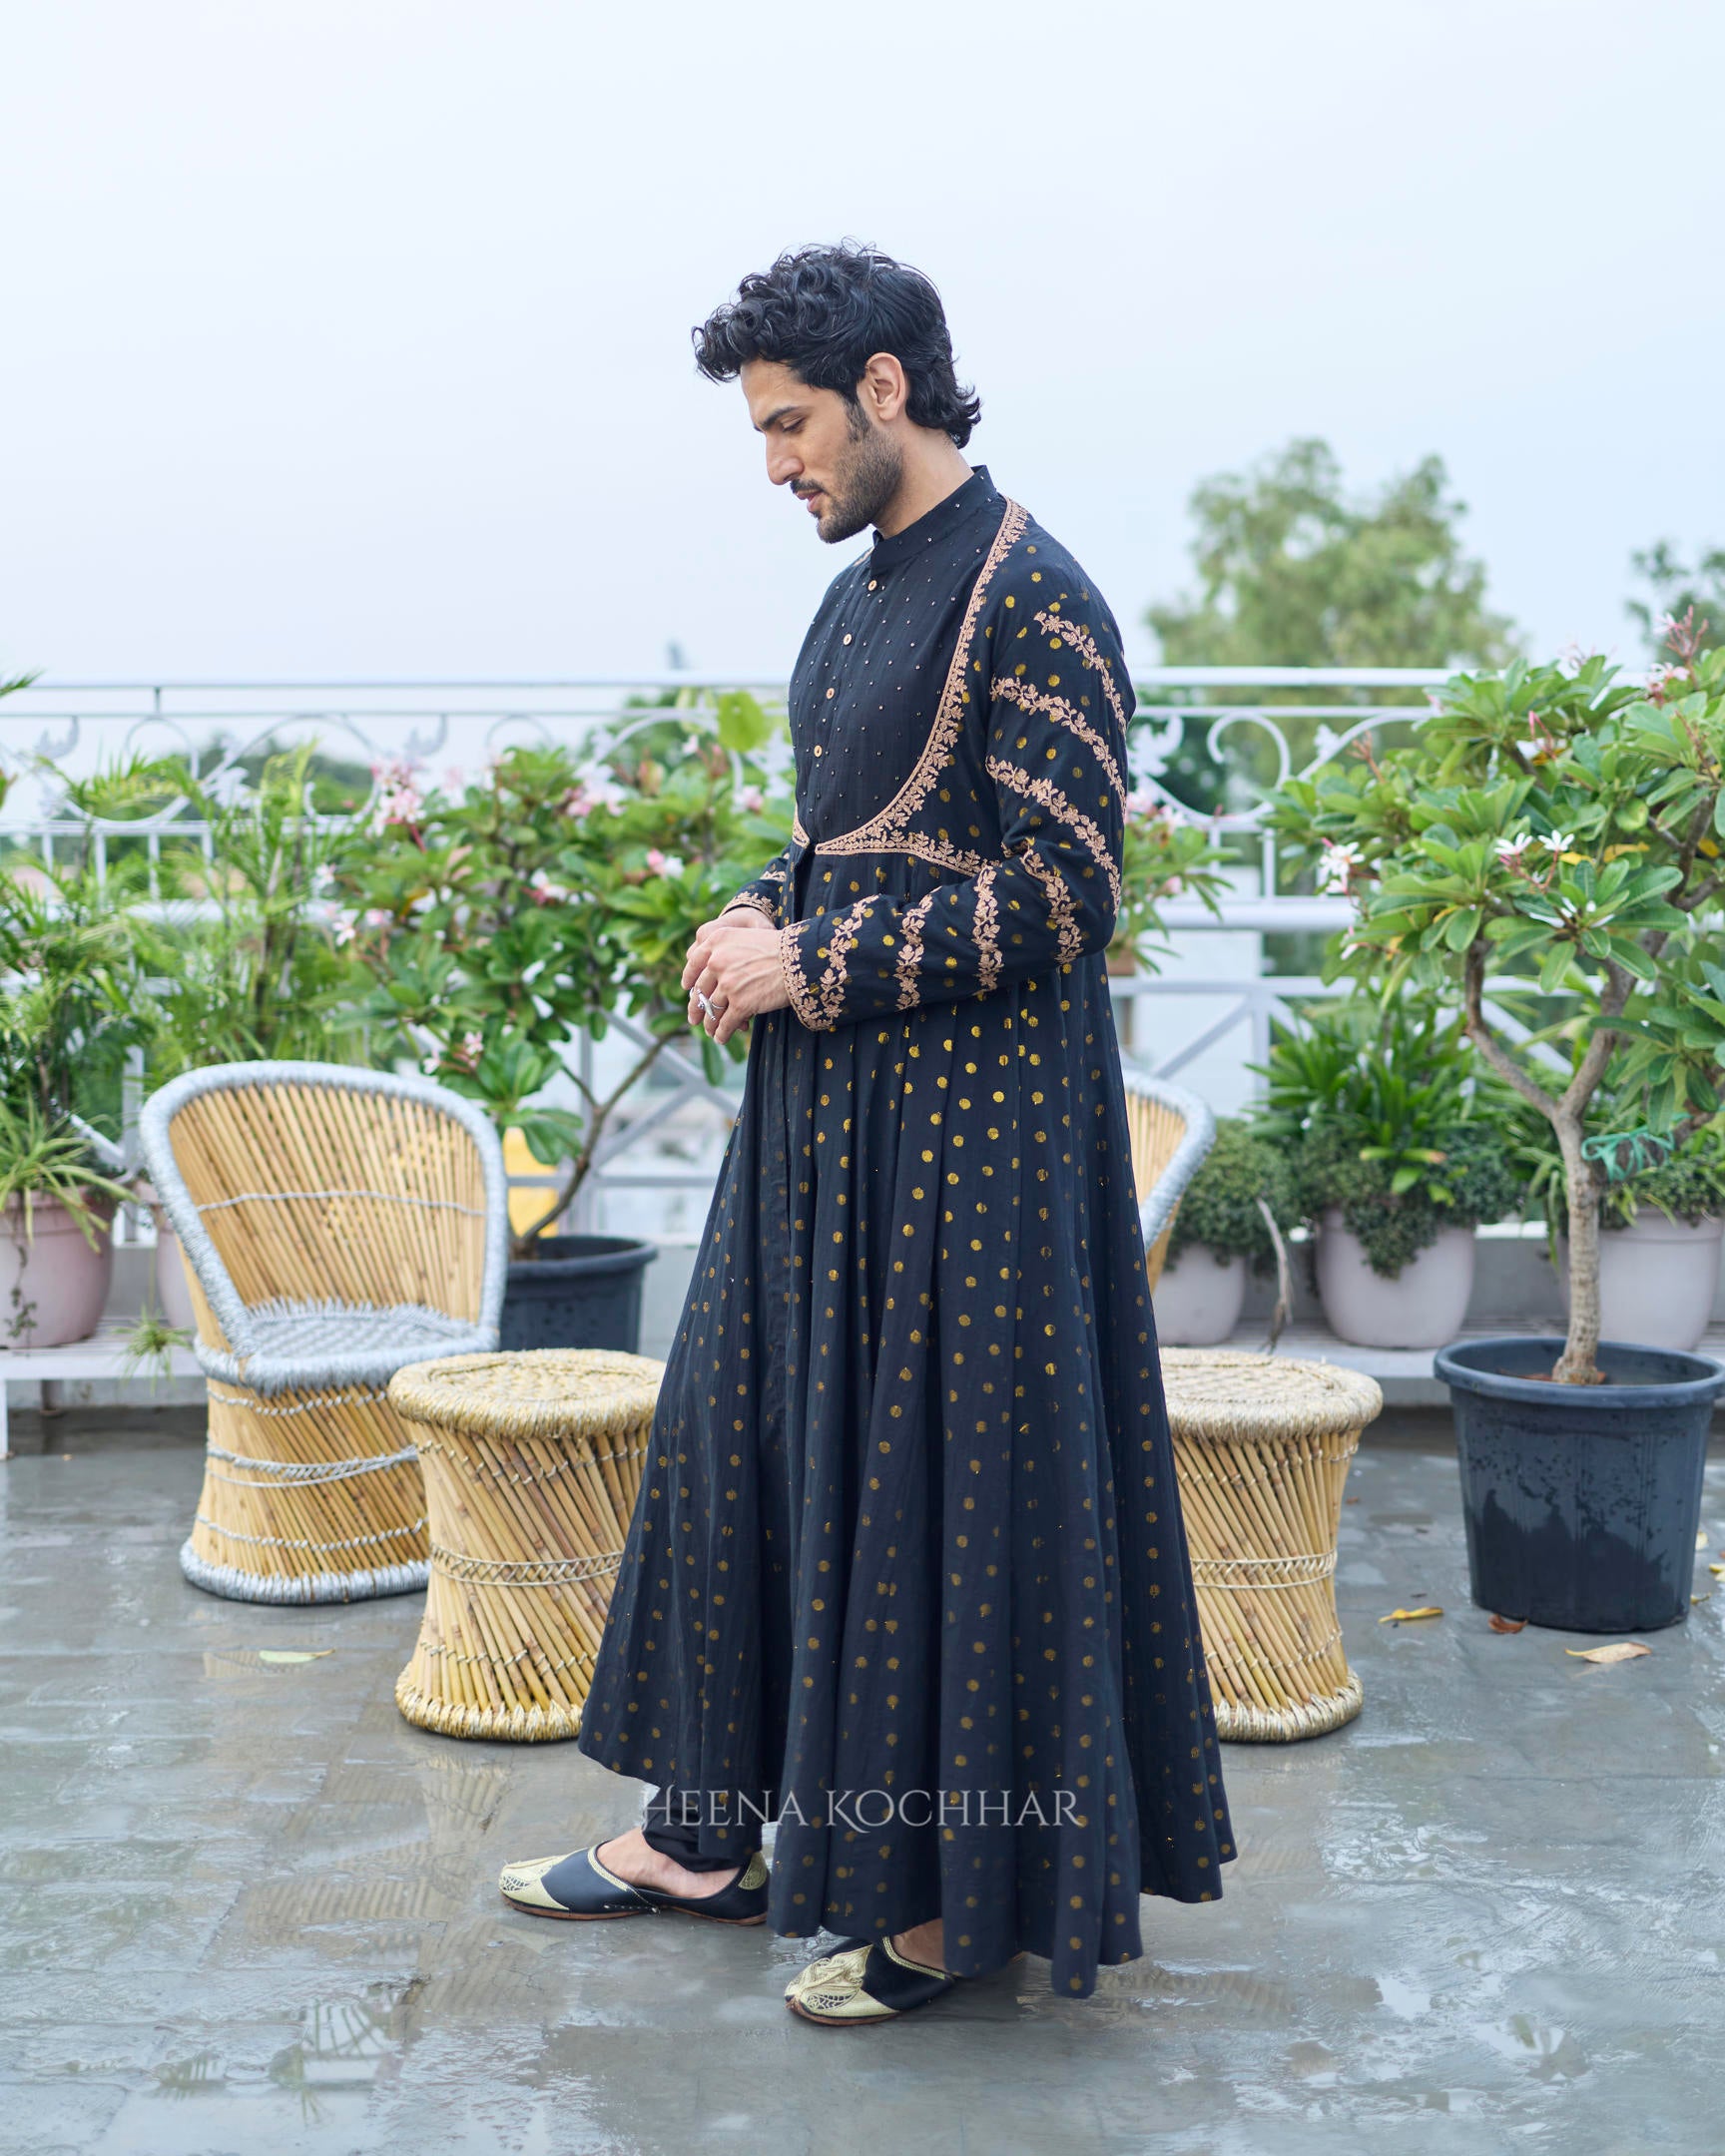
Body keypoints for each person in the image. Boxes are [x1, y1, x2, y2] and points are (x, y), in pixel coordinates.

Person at [499, 242, 1235, 2025]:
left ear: (887, 388)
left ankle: (953, 1910)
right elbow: (854, 841)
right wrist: (766, 910)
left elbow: (1065, 894)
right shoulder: (858, 598)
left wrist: (812, 961)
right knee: (740, 1445)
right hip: (826, 1119)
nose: (776, 464)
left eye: (792, 424)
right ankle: (704, 1835)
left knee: (944, 1509)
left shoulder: (1035, 594)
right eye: (762, 430)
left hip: (979, 1148)